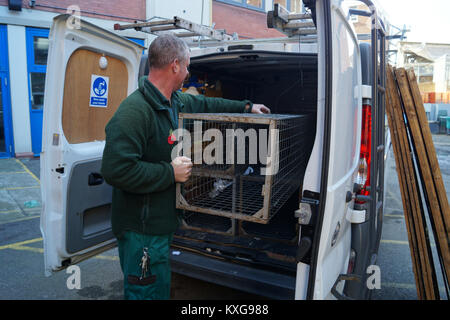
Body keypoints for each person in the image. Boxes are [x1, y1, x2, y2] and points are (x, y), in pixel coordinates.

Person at [101, 33, 270, 300]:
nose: (189, 71)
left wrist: (247, 106)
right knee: (144, 292)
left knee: (158, 287)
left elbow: (207, 103)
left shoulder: (173, 102)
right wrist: (170, 173)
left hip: (160, 225)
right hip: (141, 231)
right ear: (175, 65)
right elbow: (115, 169)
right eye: (188, 65)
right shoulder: (134, 112)